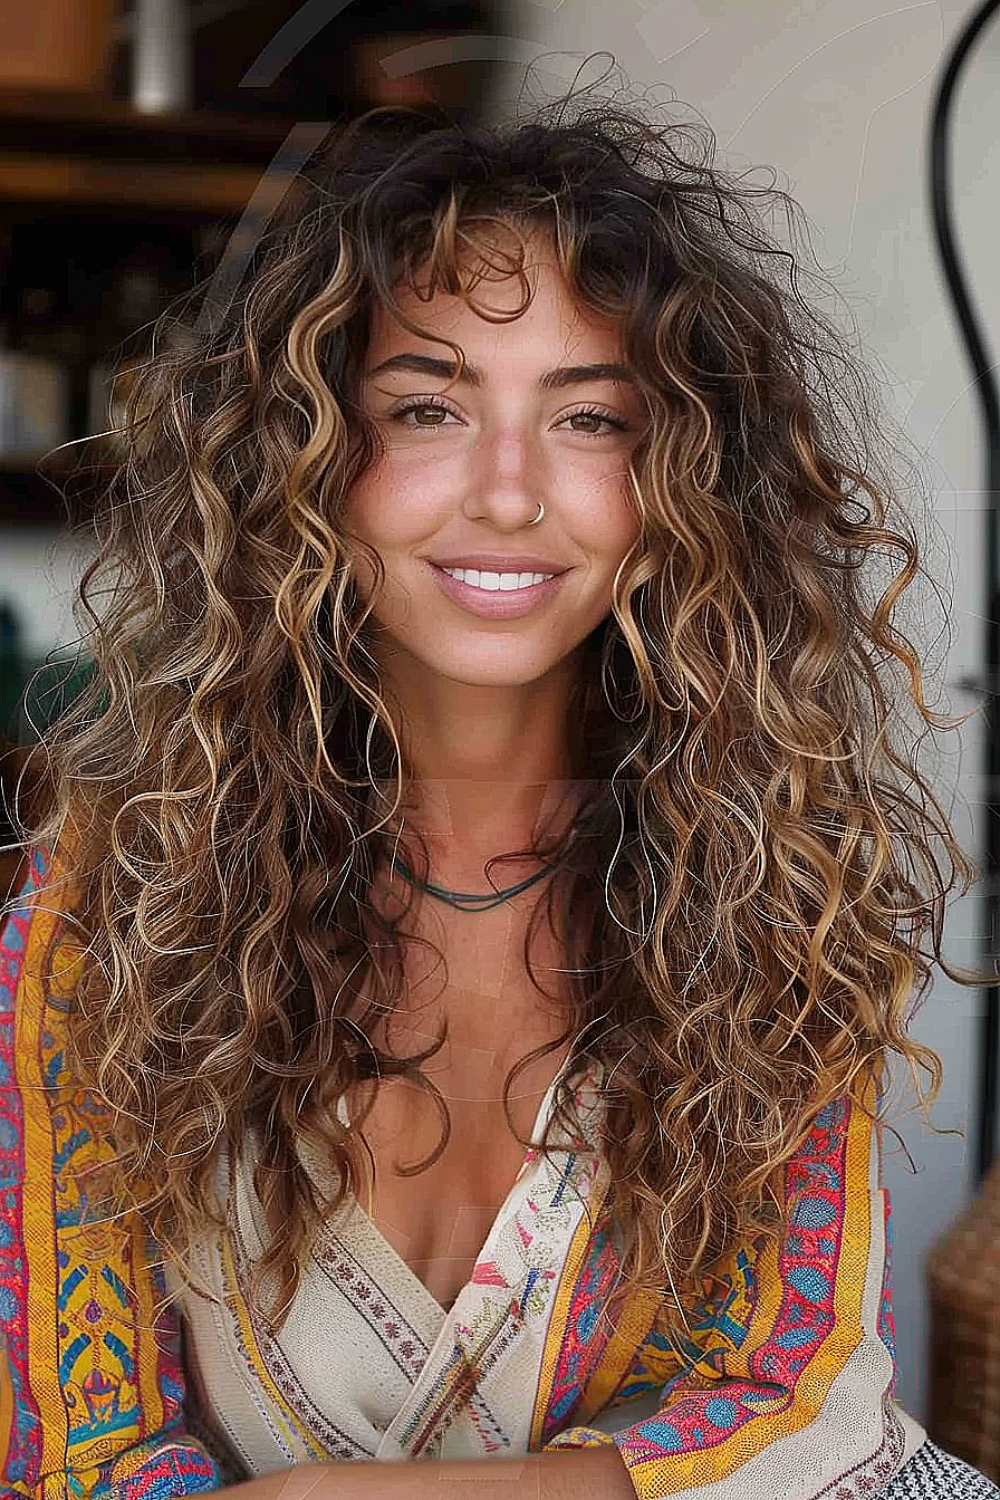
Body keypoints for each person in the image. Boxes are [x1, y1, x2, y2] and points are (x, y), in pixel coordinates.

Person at [2, 86, 999, 1500]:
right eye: (428, 407)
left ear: (681, 485)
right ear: (310, 464)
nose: (511, 492)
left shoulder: (773, 874)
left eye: (591, 417)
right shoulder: (127, 883)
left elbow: (788, 1392)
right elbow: (69, 1445)